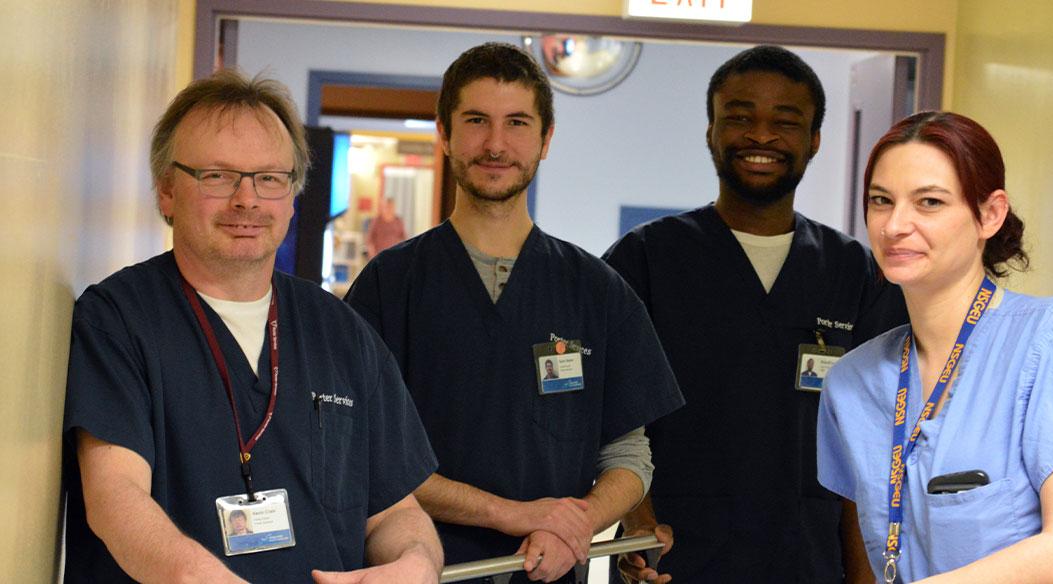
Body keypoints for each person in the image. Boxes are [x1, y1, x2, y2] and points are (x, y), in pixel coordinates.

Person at [62, 70, 443, 582]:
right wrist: (197, 574)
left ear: (292, 196)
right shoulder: (117, 321)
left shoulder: (342, 333)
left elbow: (395, 512)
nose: (247, 200)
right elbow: (114, 498)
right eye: (217, 176)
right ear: (167, 192)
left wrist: (415, 563)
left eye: (269, 178)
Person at [345, 43, 684, 584]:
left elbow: (628, 452)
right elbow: (366, 455)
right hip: (424, 571)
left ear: (545, 139)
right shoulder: (390, 287)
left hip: (549, 572)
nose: (496, 144)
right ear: (444, 133)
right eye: (476, 120)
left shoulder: (597, 290)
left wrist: (574, 525)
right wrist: (517, 515)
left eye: (517, 123)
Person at [603, 45, 908, 583]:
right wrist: (635, 521)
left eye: (785, 121)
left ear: (813, 140)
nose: (761, 137)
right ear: (710, 131)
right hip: (677, 560)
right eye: (739, 118)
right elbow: (612, 415)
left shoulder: (855, 273)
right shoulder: (645, 260)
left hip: (809, 562)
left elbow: (872, 444)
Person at [817, 111, 1053, 583]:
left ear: (990, 214)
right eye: (881, 201)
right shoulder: (853, 381)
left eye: (930, 202)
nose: (896, 225)